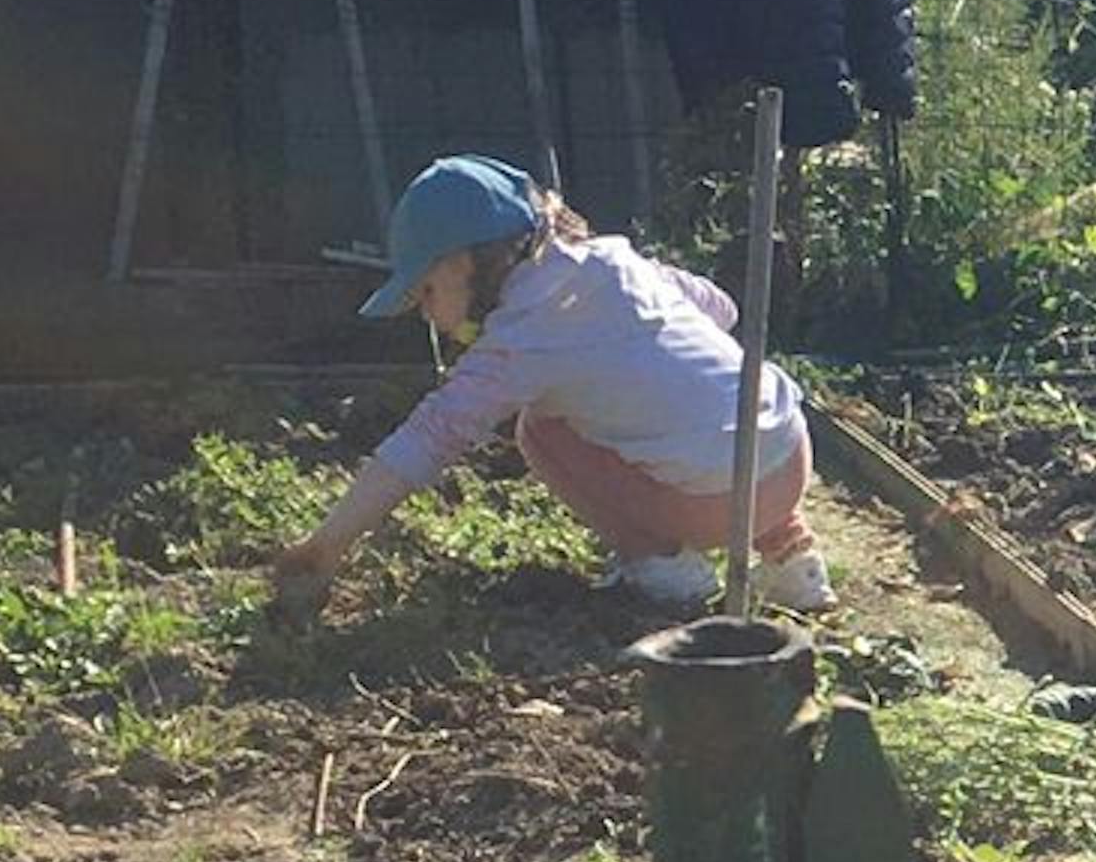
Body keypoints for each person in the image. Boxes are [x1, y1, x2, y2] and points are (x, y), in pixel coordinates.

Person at [276, 154, 830, 620]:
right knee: (714, 411)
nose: (431, 317)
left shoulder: (523, 336)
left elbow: (431, 436)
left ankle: (663, 568)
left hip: (714, 506)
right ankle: (793, 561)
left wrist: (329, 543)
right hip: (790, 455)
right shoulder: (614, 260)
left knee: (542, 431)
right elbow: (723, 310)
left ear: (466, 262)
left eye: (426, 294)